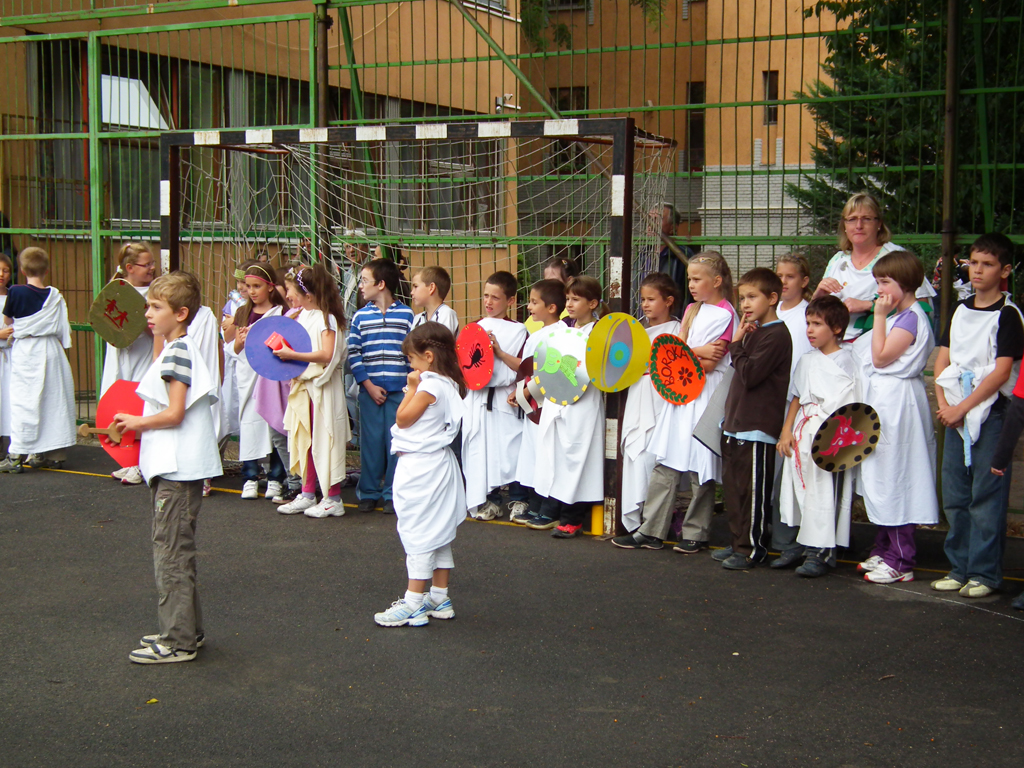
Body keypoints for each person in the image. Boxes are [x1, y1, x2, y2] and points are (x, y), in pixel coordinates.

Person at [113, 271, 223, 664]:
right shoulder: (177, 348)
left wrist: (136, 422)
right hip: (177, 468)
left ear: (180, 313)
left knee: (171, 555)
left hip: (177, 471)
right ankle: (186, 629)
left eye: (156, 307)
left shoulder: (178, 352)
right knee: (176, 552)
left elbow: (175, 413)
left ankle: (177, 641)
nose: (148, 313)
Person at [612, 252, 737, 552]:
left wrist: (687, 353)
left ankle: (696, 533)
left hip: (705, 394)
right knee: (666, 460)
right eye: (690, 279)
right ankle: (650, 530)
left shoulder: (726, 313)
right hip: (680, 392)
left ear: (716, 281)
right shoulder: (693, 309)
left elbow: (710, 362)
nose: (691, 285)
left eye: (697, 279)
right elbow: (673, 353)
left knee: (700, 464)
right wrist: (698, 350)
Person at [933, 234, 1023, 598]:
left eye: (988, 264)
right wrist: (946, 405)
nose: (978, 270)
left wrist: (963, 408)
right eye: (973, 263)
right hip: (955, 413)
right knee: (955, 494)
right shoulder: (959, 309)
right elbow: (943, 359)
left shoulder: (1009, 315)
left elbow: (1001, 372)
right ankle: (960, 568)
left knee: (986, 496)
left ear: (1005, 271)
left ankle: (984, 573)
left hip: (992, 414)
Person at [373, 322, 467, 627]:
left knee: (419, 532)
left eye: (412, 359)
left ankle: (413, 602)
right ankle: (439, 597)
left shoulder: (428, 387)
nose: (410, 366)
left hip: (422, 468)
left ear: (428, 356)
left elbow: (402, 419)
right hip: (436, 464)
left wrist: (412, 388)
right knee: (437, 532)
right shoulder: (449, 383)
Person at [854, 251, 938, 584]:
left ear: (904, 282)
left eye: (885, 282)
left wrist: (878, 315)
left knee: (897, 476)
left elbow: (881, 357)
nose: (880, 290)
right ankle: (885, 547)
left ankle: (901, 559)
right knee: (883, 475)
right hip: (886, 401)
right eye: (877, 282)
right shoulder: (901, 315)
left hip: (899, 404)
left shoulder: (911, 318)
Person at [711, 268, 792, 570]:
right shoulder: (755, 333)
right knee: (734, 490)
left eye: (752, 297)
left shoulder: (777, 335)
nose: (745, 304)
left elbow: (750, 374)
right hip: (736, 425)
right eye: (742, 298)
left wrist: (735, 344)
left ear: (772, 298)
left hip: (757, 427)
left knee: (753, 493)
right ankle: (738, 542)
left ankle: (752, 548)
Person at [776, 297, 859, 577]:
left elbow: (852, 402)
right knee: (798, 489)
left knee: (824, 492)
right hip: (803, 430)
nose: (809, 330)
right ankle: (799, 544)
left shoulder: (848, 360)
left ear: (836, 328)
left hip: (830, 434)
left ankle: (821, 551)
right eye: (808, 323)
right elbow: (797, 396)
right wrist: (787, 430)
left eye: (817, 324)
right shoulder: (807, 360)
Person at [528, 275, 606, 538]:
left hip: (583, 402)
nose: (569, 304)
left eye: (576, 299)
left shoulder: (599, 332)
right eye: (568, 299)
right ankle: (554, 509)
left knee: (577, 457)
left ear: (592, 303)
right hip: (557, 399)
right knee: (556, 454)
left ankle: (573, 517)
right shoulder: (563, 329)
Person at [275, 264, 350, 518]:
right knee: (305, 439)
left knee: (326, 440)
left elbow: (326, 354)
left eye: (292, 291)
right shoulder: (304, 315)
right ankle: (307, 494)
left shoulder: (327, 318)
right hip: (305, 388)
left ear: (308, 294)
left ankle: (333, 498)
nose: (288, 296)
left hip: (323, 388)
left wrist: (292, 355)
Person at [812, 193, 935, 340]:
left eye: (866, 219)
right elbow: (814, 316)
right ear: (844, 225)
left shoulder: (896, 257)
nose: (859, 226)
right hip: (835, 344)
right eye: (852, 219)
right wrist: (818, 296)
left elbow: (922, 307)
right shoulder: (837, 260)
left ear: (879, 224)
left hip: (883, 344)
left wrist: (868, 305)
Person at [0, 247, 75, 473]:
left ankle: (16, 456)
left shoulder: (16, 292)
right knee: (52, 400)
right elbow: (63, 329)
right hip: (51, 350)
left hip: (27, 350)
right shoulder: (55, 295)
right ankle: (53, 454)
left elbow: (7, 320)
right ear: (47, 270)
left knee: (24, 402)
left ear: (22, 270)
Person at [347, 258, 413, 514]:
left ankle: (393, 494)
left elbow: (411, 355)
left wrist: (409, 388)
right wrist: (368, 385)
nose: (361, 286)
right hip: (370, 391)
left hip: (400, 393)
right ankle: (369, 492)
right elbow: (354, 353)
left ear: (381, 284)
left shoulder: (407, 315)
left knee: (396, 444)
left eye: (365, 280)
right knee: (371, 444)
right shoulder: (360, 317)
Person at [619, 272, 682, 532]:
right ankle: (640, 516)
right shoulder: (636, 330)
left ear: (668, 300)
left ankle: (665, 515)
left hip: (664, 398)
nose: (645, 305)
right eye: (643, 299)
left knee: (659, 455)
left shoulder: (679, 330)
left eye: (651, 299)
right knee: (638, 451)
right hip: (638, 393)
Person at [463, 271, 529, 520]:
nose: (488, 302)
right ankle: (490, 501)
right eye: (485, 296)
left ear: (510, 301)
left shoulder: (519, 330)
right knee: (483, 451)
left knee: (512, 450)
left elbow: (524, 368)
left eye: (495, 297)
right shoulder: (475, 327)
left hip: (505, 397)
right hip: (479, 398)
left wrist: (499, 352)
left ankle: (519, 500)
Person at [768, 252, 816, 566]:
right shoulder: (770, 311)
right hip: (769, 400)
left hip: (796, 402)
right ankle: (775, 533)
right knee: (771, 473)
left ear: (804, 281)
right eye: (779, 276)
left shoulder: (807, 314)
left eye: (790, 277)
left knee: (792, 472)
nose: (783, 282)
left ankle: (797, 539)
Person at [225, 264, 288, 501]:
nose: (251, 291)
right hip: (248, 377)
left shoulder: (281, 312)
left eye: (257, 286)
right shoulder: (243, 312)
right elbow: (233, 349)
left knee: (275, 425)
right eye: (248, 286)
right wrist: (240, 342)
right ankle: (250, 477)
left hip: (271, 378)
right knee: (250, 425)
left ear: (270, 287)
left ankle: (275, 478)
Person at [507, 279, 567, 524]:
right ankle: (536, 501)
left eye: (534, 302)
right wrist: (520, 392)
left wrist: (525, 392)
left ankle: (549, 506)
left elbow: (549, 372)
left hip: (547, 403)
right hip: (532, 402)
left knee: (548, 453)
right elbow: (527, 370)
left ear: (551, 307)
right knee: (532, 452)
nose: (529, 306)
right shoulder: (537, 334)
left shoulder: (560, 334)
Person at [99, 243, 158, 485]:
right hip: (121, 352)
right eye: (147, 264)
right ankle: (127, 460)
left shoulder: (155, 293)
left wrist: (140, 321)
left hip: (144, 352)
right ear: (130, 268)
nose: (152, 268)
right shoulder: (116, 289)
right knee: (120, 402)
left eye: (153, 263)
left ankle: (140, 464)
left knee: (138, 404)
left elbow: (157, 329)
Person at [410, 265, 459, 335]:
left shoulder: (446, 314)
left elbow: (441, 340)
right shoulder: (417, 319)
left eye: (415, 286)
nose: (411, 292)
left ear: (431, 288)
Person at [0, 253, 14, 463]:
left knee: (9, 403)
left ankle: (13, 449)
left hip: (10, 357)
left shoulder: (14, 296)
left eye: (5, 270)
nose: (1, 274)